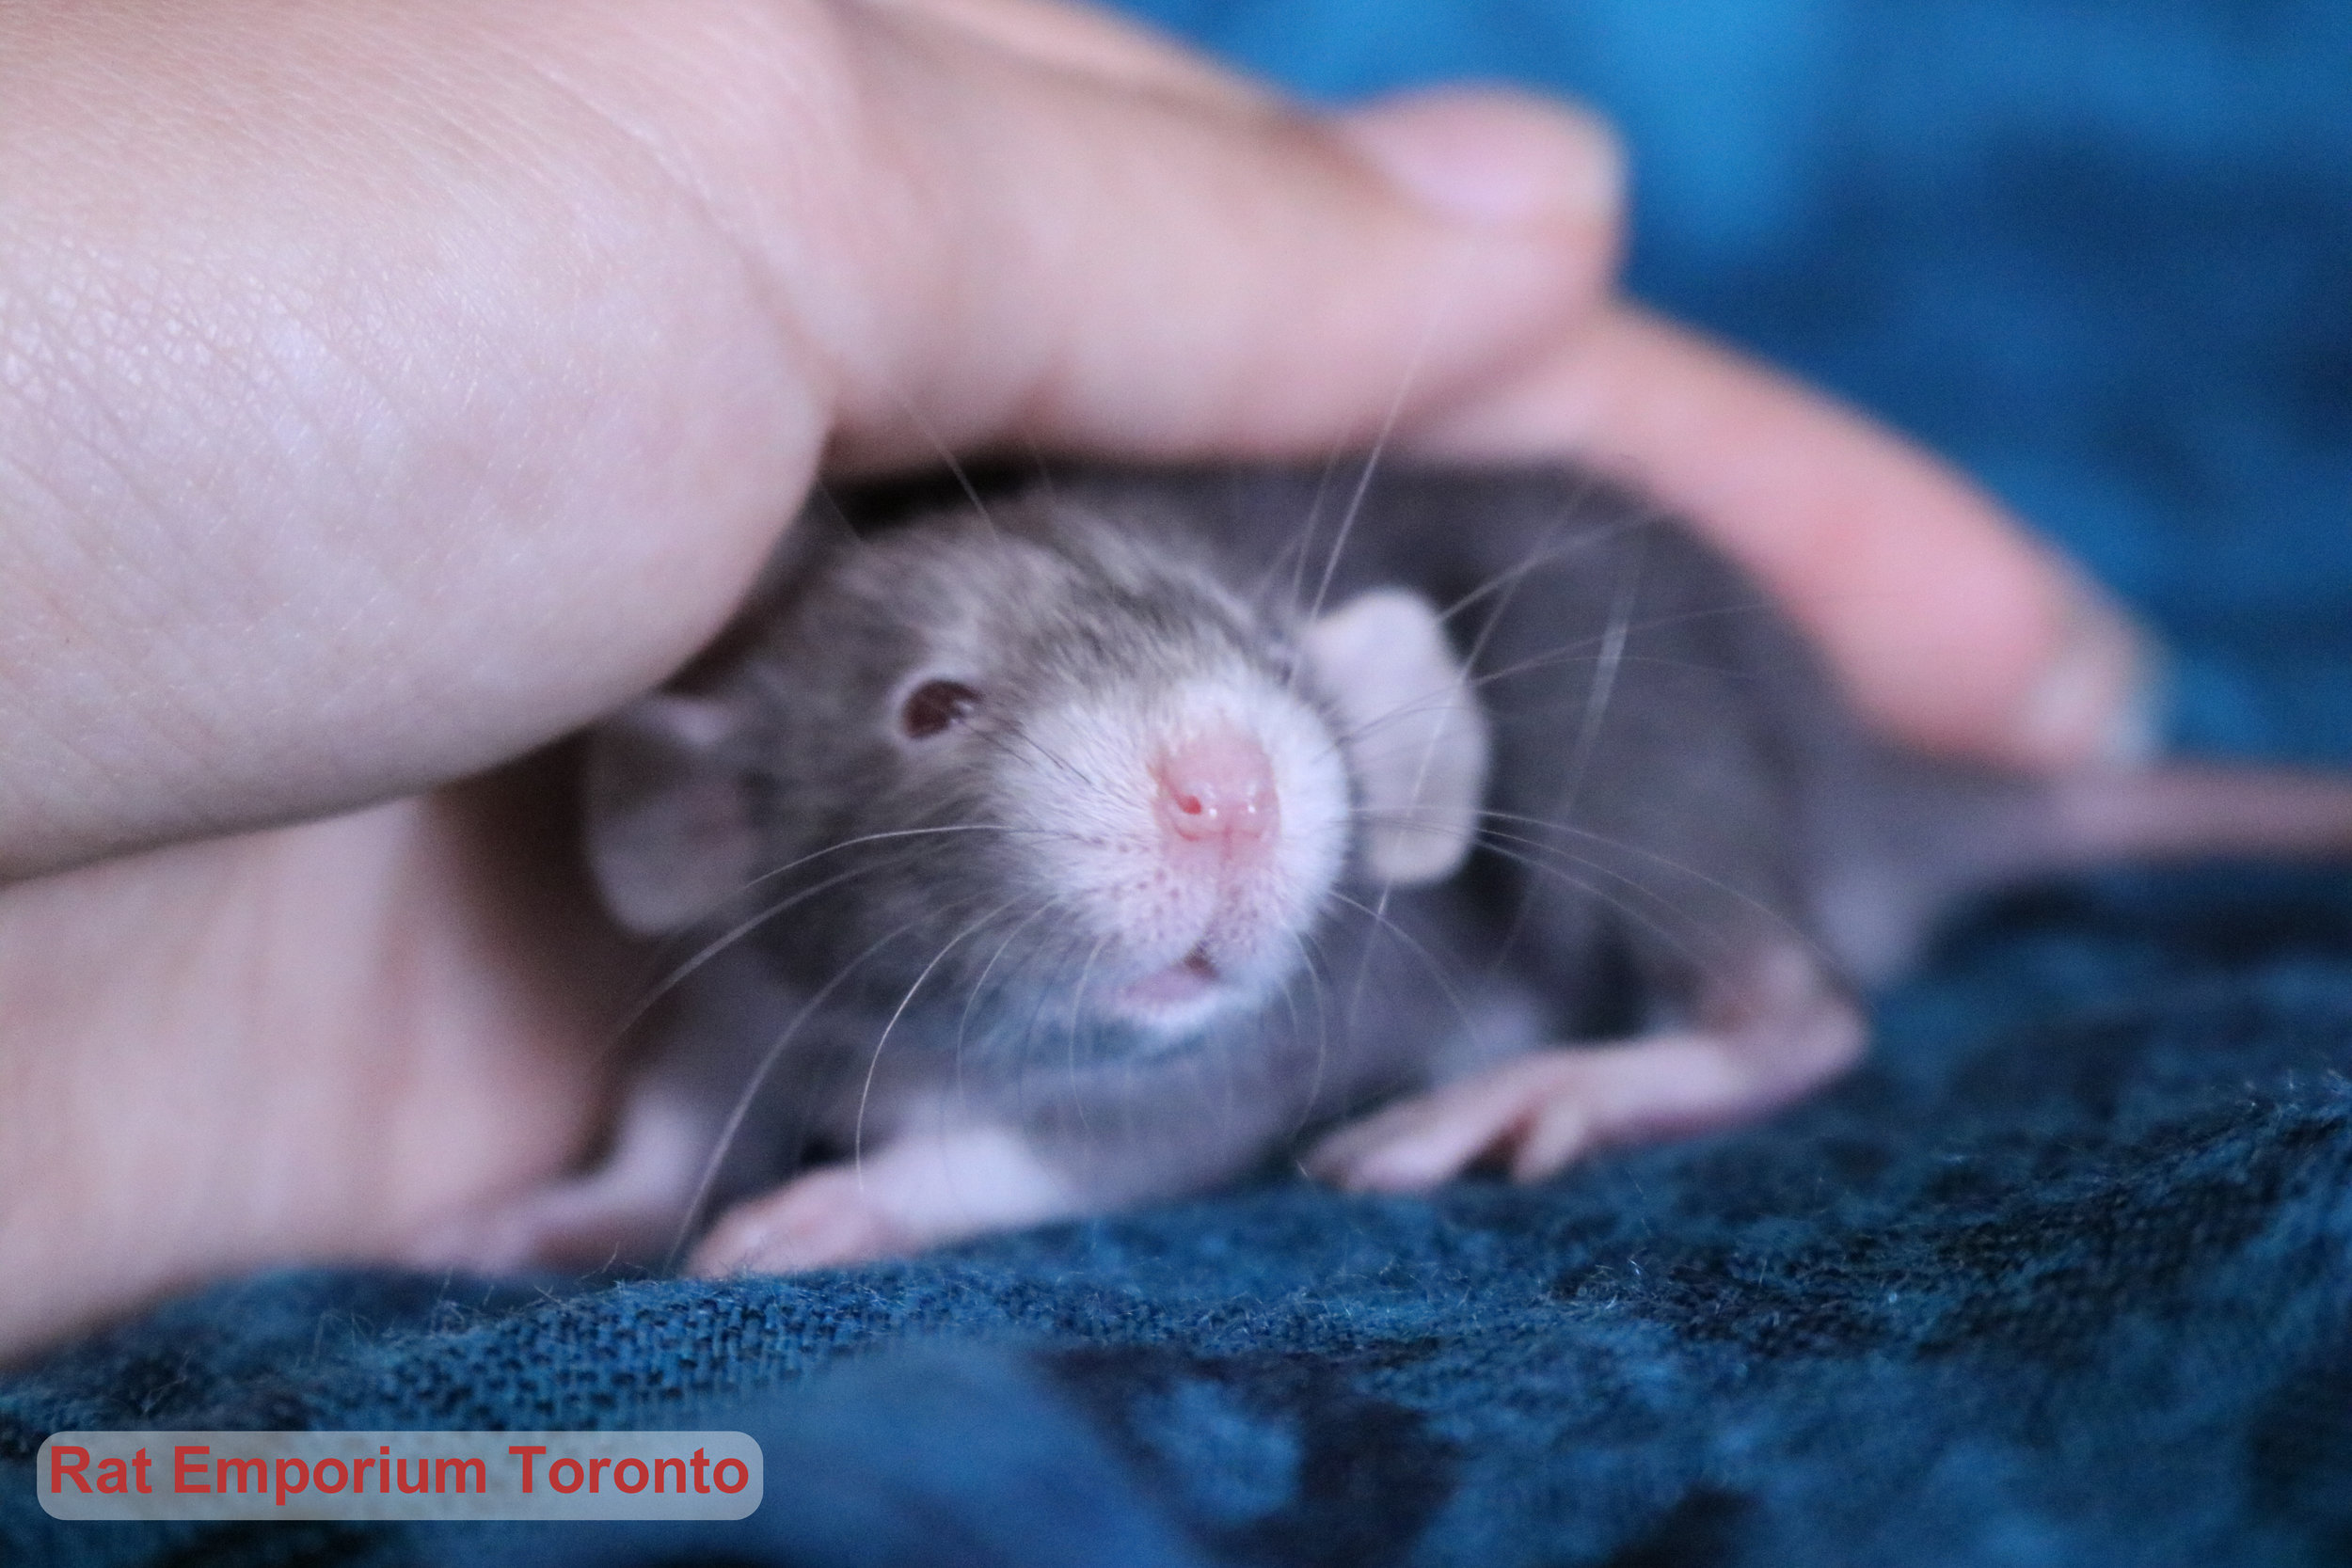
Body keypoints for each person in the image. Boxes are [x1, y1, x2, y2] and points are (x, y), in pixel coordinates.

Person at [0, 0, 2151, 1359]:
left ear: (1364, 714)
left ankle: (1746, 1004)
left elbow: (1186, 1088)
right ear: (694, 814)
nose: (1219, 786)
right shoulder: (728, 865)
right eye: (945, 712)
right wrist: (644, 1171)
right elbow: (718, 1028)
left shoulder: (1350, 823)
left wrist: (930, 1187)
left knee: (1579, 601)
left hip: (1710, 744)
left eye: (1240, 692)